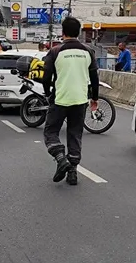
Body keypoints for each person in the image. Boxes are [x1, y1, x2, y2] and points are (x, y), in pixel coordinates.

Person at [42, 17, 99, 186]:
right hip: (80, 100)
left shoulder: (55, 52)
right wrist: (94, 98)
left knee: (51, 132)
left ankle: (61, 159)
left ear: (62, 32)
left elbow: (46, 77)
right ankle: (72, 173)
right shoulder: (89, 52)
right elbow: (94, 78)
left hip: (60, 99)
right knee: (75, 134)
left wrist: (48, 94)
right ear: (79, 32)